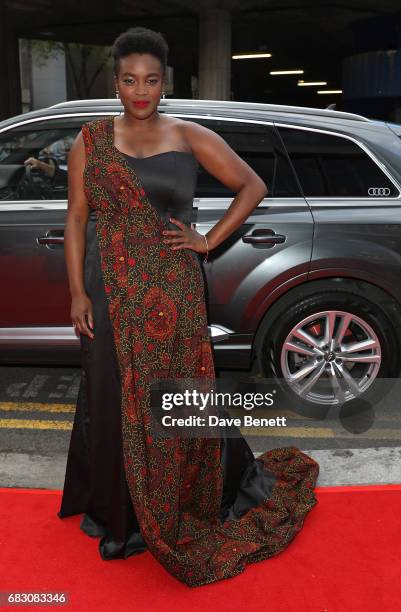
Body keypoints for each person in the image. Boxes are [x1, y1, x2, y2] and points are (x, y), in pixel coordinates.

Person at [57, 26, 319, 588]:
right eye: (130, 80)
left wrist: (209, 240)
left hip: (171, 291)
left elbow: (251, 185)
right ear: (117, 82)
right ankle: (118, 512)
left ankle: (186, 498)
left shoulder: (187, 134)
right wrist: (78, 291)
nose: (141, 91)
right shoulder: (91, 140)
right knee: (111, 395)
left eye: (151, 80)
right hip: (110, 289)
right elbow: (77, 218)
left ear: (165, 83)